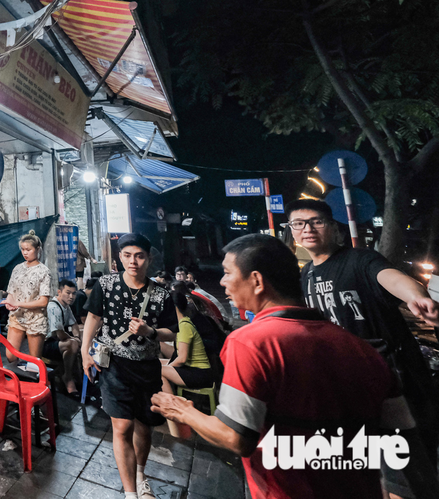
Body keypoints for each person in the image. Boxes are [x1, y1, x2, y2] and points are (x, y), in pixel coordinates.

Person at [151, 234, 438, 499]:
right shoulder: (363, 350)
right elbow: (401, 441)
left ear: (257, 281)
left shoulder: (251, 342)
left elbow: (235, 437)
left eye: (227, 273)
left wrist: (182, 410)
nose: (223, 281)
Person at [289, 198, 439, 496]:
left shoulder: (360, 260)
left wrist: (416, 297)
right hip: (350, 387)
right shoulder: (307, 275)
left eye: (317, 221)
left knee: (415, 468)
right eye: (299, 223)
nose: (308, 229)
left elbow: (391, 278)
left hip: (395, 382)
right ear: (292, 231)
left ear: (333, 227)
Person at [82, 233, 176, 499]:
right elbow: (93, 317)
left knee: (144, 426)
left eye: (139, 255)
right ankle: (130, 493)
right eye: (127, 255)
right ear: (119, 256)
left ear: (148, 258)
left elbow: (172, 332)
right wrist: (84, 351)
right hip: (113, 366)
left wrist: (151, 331)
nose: (132, 261)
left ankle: (140, 473)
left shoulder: (161, 293)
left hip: (146, 368)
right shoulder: (107, 283)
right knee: (122, 426)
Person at [159, 283, 221, 395]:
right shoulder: (183, 322)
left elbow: (182, 359)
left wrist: (167, 367)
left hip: (199, 373)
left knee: (157, 370)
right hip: (193, 369)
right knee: (155, 364)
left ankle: (172, 408)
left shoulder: (184, 326)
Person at [4, 231, 52, 361]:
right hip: (17, 316)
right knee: (10, 355)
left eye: (28, 249)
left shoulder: (44, 271)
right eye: (23, 249)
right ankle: (16, 379)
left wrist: (19, 304)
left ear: (37, 249)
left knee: (34, 359)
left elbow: (43, 302)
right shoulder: (17, 268)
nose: (25, 253)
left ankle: (36, 380)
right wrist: (9, 303)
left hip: (35, 318)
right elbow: (11, 292)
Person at [45, 279, 81, 394]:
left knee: (79, 340)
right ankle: (68, 377)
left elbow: (74, 324)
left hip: (58, 341)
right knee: (72, 344)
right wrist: (74, 340)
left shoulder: (66, 306)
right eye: (68, 293)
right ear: (59, 292)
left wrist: (78, 337)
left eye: (73, 293)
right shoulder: (54, 307)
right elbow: (59, 334)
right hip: (46, 344)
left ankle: (78, 375)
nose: (71, 296)